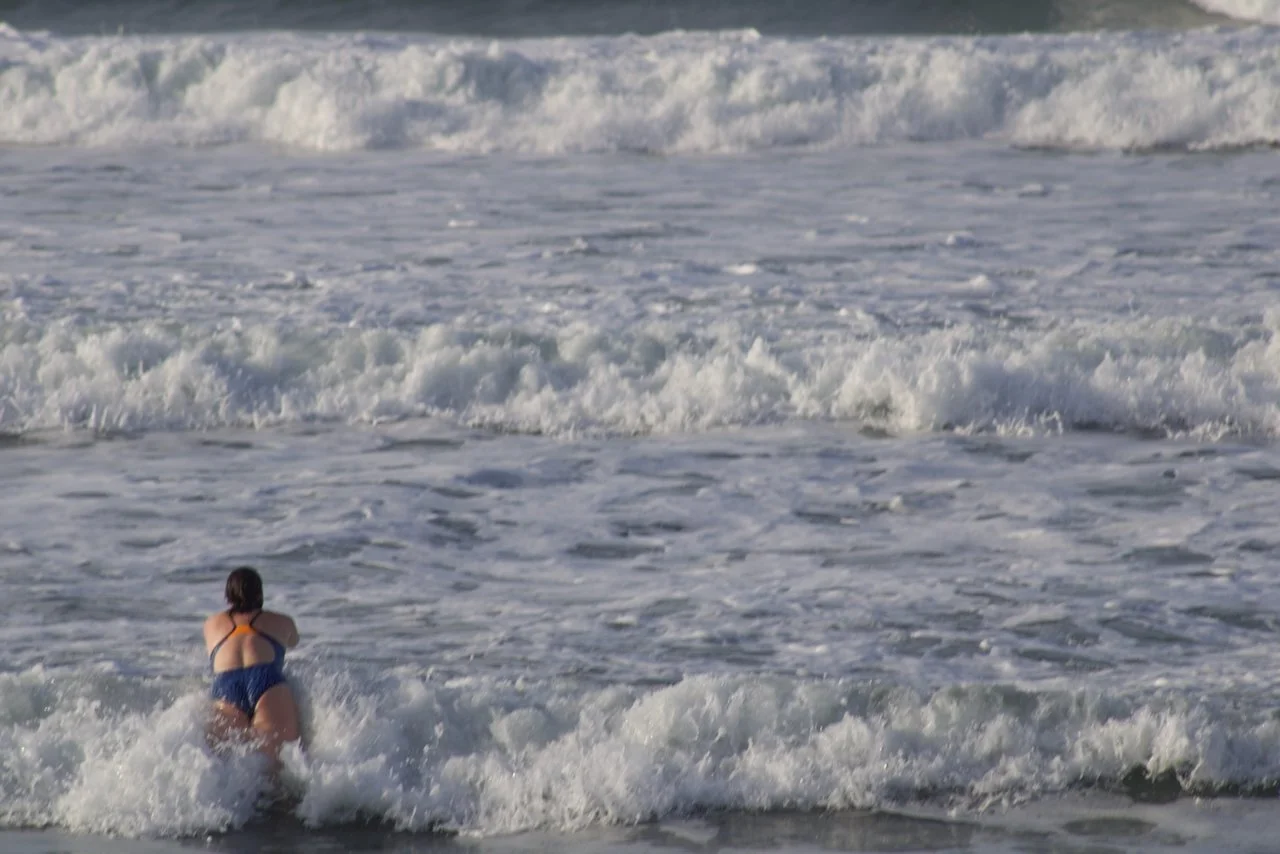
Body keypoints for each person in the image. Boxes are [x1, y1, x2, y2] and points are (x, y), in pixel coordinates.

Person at [203, 566, 301, 767]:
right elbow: (294, 641)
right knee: (279, 773)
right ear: (259, 593)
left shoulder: (211, 624)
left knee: (227, 768)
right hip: (267, 682)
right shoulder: (281, 621)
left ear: (228, 594)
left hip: (225, 687)